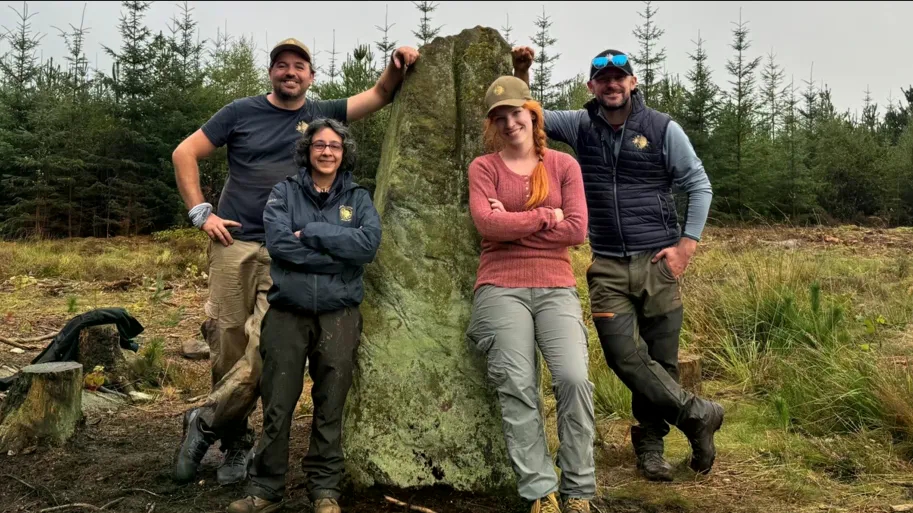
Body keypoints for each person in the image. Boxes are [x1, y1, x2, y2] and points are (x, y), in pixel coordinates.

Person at [171, 37, 418, 486]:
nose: (291, 72)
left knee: (261, 354)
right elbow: (184, 152)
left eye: (299, 66)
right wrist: (201, 212)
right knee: (226, 345)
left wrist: (397, 63)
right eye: (282, 65)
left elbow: (381, 94)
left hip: (289, 254)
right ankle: (235, 442)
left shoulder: (320, 117)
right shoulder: (239, 112)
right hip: (234, 243)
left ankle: (204, 420)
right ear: (271, 73)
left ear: (311, 75)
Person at [511, 47, 724, 482]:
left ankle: (651, 448)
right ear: (591, 86)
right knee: (624, 356)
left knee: (660, 361)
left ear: (633, 82)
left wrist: (687, 247)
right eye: (603, 78)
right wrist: (521, 70)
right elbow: (525, 115)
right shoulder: (580, 125)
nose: (611, 84)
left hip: (659, 262)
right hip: (607, 263)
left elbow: (699, 185)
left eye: (619, 77)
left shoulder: (662, 128)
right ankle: (698, 414)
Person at [225, 118, 381, 513]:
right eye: (319, 145)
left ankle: (324, 491)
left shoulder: (358, 197)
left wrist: (311, 232)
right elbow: (279, 246)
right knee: (277, 403)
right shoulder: (284, 192)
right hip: (287, 314)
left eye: (335, 146)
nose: (327, 151)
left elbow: (366, 246)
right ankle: (265, 489)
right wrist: (336, 256)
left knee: (331, 403)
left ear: (344, 153)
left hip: (339, 316)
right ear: (307, 150)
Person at [465, 75, 594, 513]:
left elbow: (576, 230)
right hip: (500, 287)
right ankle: (541, 492)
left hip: (557, 286)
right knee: (518, 386)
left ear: (532, 113)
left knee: (574, 380)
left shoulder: (563, 166)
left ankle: (578, 489)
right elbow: (487, 226)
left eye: (516, 112)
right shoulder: (484, 168)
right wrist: (545, 217)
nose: (509, 122)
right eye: (499, 117)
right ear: (492, 124)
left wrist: (514, 225)